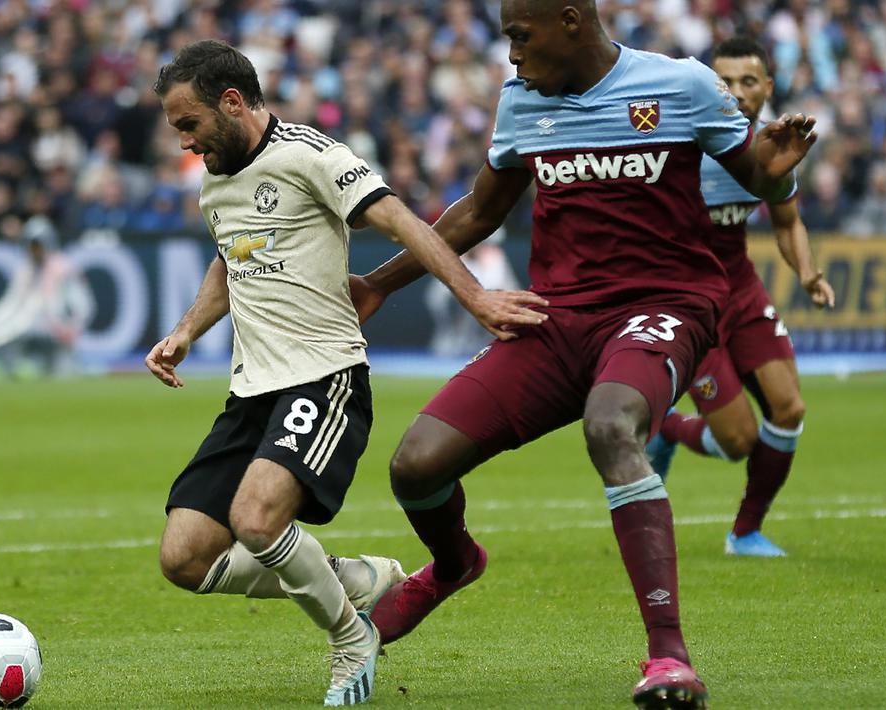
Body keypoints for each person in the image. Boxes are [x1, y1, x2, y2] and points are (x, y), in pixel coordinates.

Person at [349, 2, 818, 707]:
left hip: (666, 304)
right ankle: (452, 564)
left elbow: (758, 173)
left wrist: (775, 176)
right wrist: (379, 284)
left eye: (519, 36)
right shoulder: (521, 101)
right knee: (415, 466)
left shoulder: (682, 84)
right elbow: (480, 210)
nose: (511, 54)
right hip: (559, 316)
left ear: (569, 21)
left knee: (610, 424)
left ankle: (668, 656)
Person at [144, 40, 547, 707]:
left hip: (323, 378)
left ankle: (349, 637)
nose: (185, 142)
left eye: (189, 124)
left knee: (256, 519)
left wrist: (475, 297)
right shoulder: (215, 180)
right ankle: (354, 580)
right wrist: (187, 330)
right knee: (184, 557)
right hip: (250, 392)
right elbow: (230, 256)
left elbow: (399, 220)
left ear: (232, 102)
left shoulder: (311, 155)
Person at [645, 37, 836, 558]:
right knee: (738, 442)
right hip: (689, 301)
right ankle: (669, 430)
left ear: (767, 87)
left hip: (742, 290)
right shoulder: (681, 143)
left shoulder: (774, 147)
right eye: (724, 81)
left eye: (748, 81)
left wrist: (808, 274)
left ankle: (745, 533)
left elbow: (788, 222)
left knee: (789, 408)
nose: (736, 90)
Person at [0, 230, 93, 381]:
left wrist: (71, 328)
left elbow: (81, 305)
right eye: (32, 247)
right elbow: (12, 302)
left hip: (55, 334)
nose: (35, 251)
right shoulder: (26, 269)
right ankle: (6, 369)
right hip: (29, 330)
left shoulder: (62, 268)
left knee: (60, 375)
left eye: (38, 246)